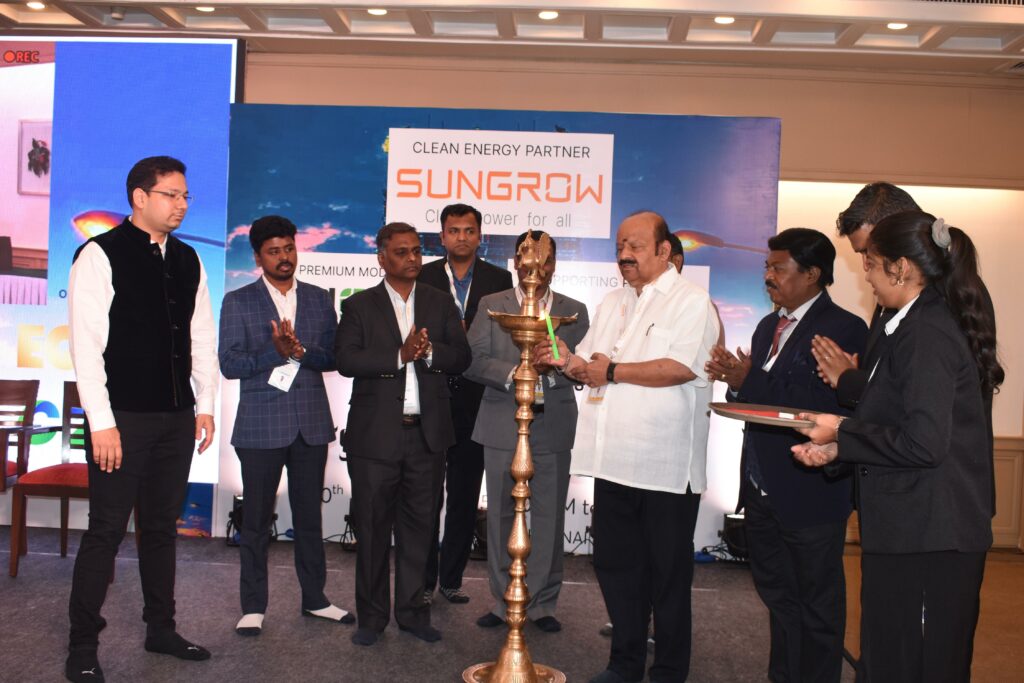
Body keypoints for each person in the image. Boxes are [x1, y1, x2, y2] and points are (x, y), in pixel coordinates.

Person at [792, 211, 1003, 682]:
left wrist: (841, 432)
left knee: (917, 666)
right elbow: (894, 423)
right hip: (909, 526)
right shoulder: (906, 326)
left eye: (870, 263)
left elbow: (924, 444)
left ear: (901, 267)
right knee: (889, 660)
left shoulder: (927, 331)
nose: (865, 275)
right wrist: (839, 449)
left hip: (932, 533)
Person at [540, 210, 720, 683]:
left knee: (667, 577)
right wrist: (565, 360)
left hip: (665, 469)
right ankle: (624, 664)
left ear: (664, 251)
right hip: (612, 462)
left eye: (635, 246)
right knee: (617, 568)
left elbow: (682, 367)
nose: (624, 254)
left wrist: (612, 372)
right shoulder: (612, 301)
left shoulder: (691, 302)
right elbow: (592, 363)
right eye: (620, 246)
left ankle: (668, 671)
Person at [66, 156, 218, 683]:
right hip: (122, 419)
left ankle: (162, 629)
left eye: (185, 196)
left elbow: (201, 336)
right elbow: (86, 347)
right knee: (105, 532)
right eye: (171, 195)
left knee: (160, 531)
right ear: (139, 197)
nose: (181, 205)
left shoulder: (189, 259)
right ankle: (82, 647)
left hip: (176, 419)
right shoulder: (99, 254)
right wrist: (101, 422)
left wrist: (205, 404)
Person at [705, 228, 867, 683]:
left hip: (810, 490)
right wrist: (736, 382)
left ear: (812, 274)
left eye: (779, 267)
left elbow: (823, 407)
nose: (768, 276)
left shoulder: (844, 328)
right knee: (778, 598)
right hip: (762, 490)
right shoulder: (766, 327)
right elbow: (759, 399)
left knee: (816, 605)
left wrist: (750, 380)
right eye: (767, 266)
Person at [335, 222, 471, 647]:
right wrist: (399, 354)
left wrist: (429, 352)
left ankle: (413, 614)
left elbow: (462, 357)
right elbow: (346, 360)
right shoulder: (359, 305)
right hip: (374, 439)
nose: (412, 258)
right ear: (382, 258)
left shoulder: (440, 301)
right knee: (372, 532)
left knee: (420, 532)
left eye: (416, 250)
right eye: (401, 252)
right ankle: (372, 618)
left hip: (426, 438)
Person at [219, 215, 354, 637]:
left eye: (289, 249)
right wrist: (275, 353)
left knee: (310, 518)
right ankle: (253, 606)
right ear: (258, 257)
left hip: (310, 425)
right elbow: (229, 364)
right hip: (260, 427)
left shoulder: (318, 299)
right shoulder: (238, 301)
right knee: (256, 521)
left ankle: (316, 599)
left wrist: (302, 351)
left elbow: (334, 358)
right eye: (274, 251)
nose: (284, 258)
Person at [463, 231, 590, 634]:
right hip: (502, 420)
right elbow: (472, 360)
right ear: (517, 262)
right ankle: (504, 602)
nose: (538, 266)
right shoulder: (492, 305)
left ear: (554, 264)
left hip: (553, 424)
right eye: (529, 258)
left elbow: (582, 368)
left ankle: (542, 604)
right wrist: (516, 374)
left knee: (549, 516)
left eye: (546, 259)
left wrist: (551, 373)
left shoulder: (575, 311)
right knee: (500, 515)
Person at [417, 203, 513, 605]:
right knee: (425, 496)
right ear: (442, 237)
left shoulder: (499, 279)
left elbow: (503, 339)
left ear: (480, 236)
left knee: (464, 494)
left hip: (478, 399)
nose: (462, 237)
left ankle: (451, 579)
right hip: (431, 396)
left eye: (469, 230)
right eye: (454, 230)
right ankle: (423, 582)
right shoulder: (422, 276)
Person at [813, 183, 920, 408]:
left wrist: (847, 378)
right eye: (862, 253)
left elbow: (917, 400)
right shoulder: (892, 296)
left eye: (869, 252)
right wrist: (854, 375)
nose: (865, 265)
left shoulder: (946, 298)